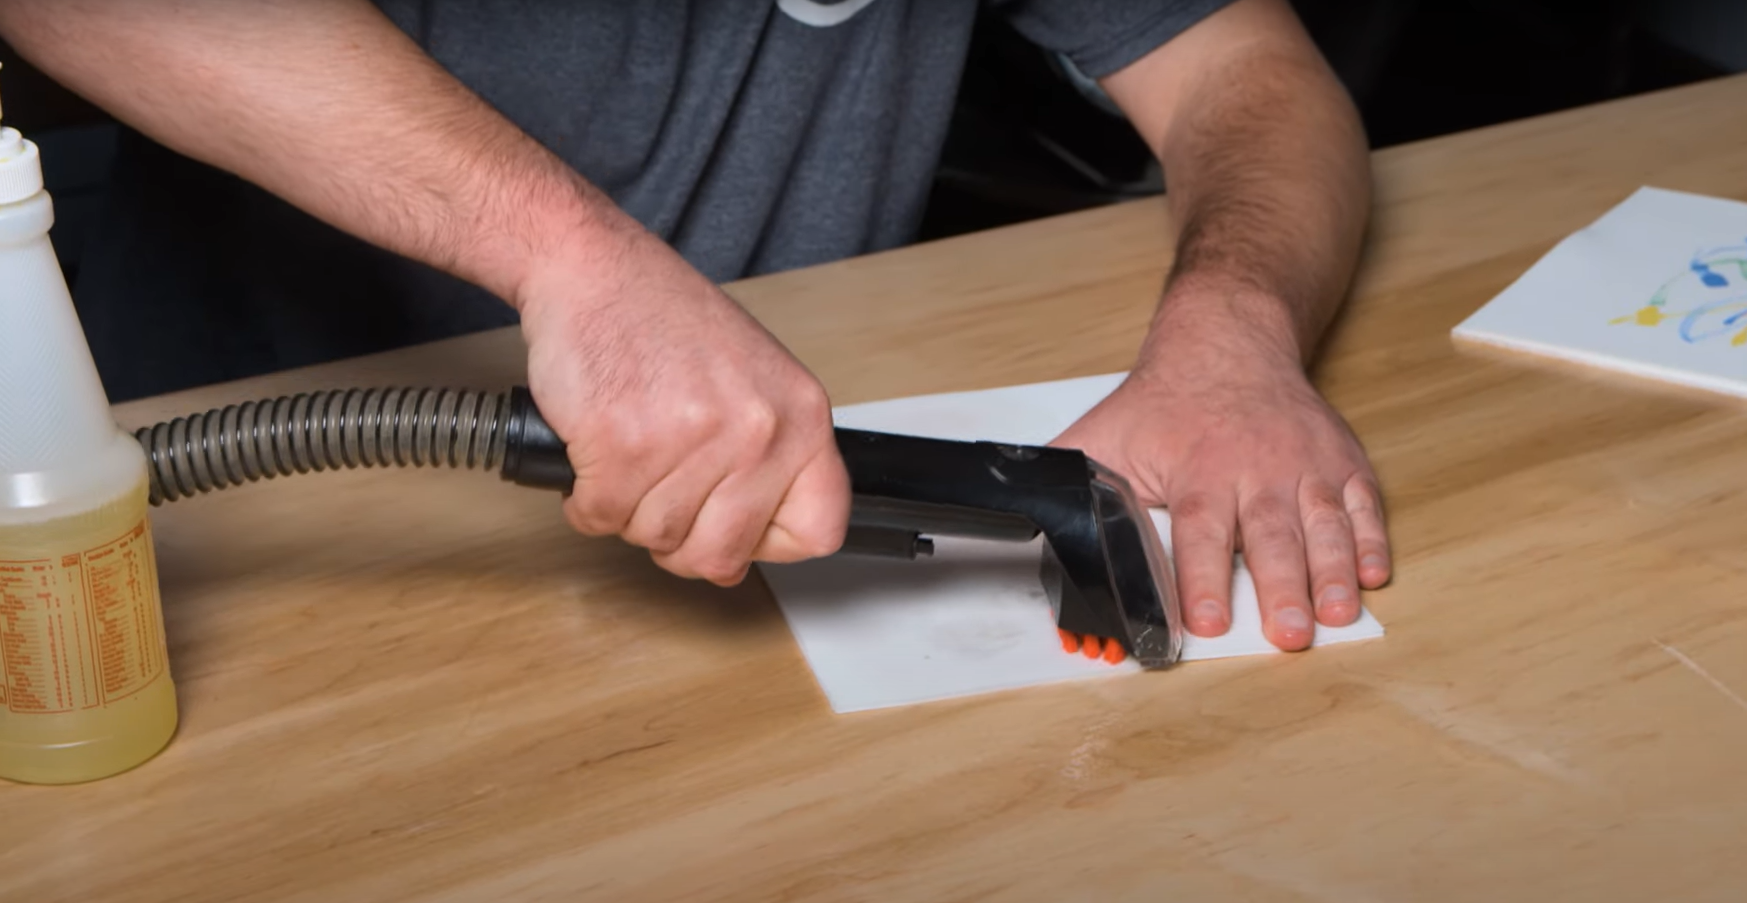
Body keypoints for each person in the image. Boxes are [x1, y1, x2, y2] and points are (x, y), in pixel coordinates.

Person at [0, 0, 1389, 652]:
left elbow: (1245, 71)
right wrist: (570, 257)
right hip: (253, 532)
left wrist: (1232, 331)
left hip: (743, 553)